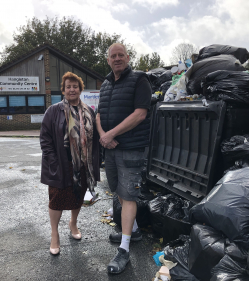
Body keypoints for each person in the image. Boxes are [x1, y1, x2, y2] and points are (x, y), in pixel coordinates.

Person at [96, 43, 152, 274]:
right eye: (113, 56)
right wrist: (103, 136)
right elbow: (99, 114)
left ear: (128, 58)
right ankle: (134, 231)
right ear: (108, 60)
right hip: (110, 147)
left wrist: (112, 134)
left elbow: (140, 113)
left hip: (131, 148)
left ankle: (124, 250)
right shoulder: (106, 84)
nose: (117, 58)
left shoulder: (140, 80)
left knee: (128, 196)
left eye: (121, 55)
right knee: (118, 191)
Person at [40, 72, 100, 256]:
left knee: (77, 196)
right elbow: (45, 138)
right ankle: (54, 234)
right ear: (63, 90)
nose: (72, 89)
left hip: (82, 164)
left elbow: (95, 137)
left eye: (75, 86)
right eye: (68, 87)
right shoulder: (53, 111)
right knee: (56, 199)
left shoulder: (89, 111)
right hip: (60, 163)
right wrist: (52, 161)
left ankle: (73, 223)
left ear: (80, 89)